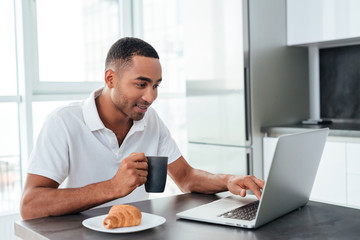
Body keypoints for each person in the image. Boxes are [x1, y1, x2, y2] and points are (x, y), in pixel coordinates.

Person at [20, 37, 264, 220]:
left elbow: (186, 178)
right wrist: (112, 187)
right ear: (110, 79)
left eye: (156, 85)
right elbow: (31, 205)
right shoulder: (63, 121)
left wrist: (230, 179)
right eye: (141, 84)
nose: (150, 97)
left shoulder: (151, 119)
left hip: (140, 232)